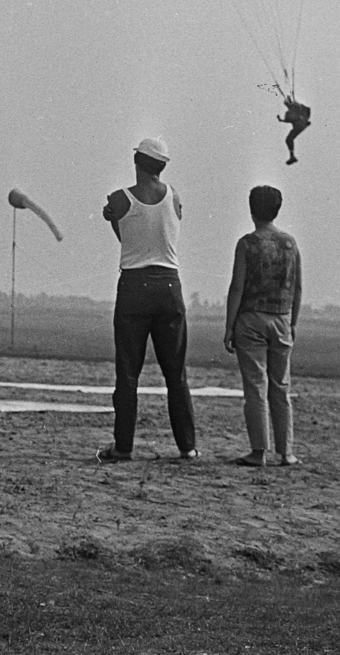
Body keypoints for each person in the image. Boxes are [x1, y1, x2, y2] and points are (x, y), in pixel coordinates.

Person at [97, 137, 198, 463]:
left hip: (134, 286)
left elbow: (125, 238)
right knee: (176, 373)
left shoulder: (118, 199)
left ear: (138, 161)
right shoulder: (175, 197)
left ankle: (123, 447)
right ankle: (187, 447)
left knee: (128, 372)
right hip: (169, 285)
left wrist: (114, 217)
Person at [223, 184, 302, 467]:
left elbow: (237, 287)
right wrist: (292, 322)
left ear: (251, 208)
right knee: (280, 387)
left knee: (255, 387)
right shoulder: (290, 244)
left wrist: (229, 326)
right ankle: (286, 452)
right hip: (281, 319)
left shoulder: (247, 243)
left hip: (251, 320)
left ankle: (259, 452)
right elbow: (297, 288)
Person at [277, 96, 311, 165]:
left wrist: (281, 120)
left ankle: (292, 156)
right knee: (289, 139)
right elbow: (307, 110)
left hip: (299, 125)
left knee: (289, 139)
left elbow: (290, 119)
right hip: (301, 125)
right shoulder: (297, 107)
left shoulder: (292, 110)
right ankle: (292, 156)